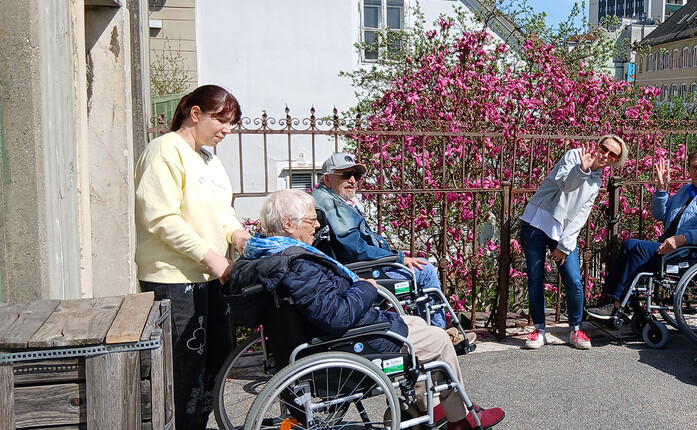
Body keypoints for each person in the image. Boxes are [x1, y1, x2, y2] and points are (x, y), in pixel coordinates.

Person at [228, 189, 504, 430]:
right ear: (288, 224)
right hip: (343, 342)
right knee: (439, 340)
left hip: (315, 337)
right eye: (311, 220)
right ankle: (461, 419)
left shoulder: (264, 255)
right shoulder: (297, 265)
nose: (316, 227)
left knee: (417, 325)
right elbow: (336, 316)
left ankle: (430, 405)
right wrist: (367, 288)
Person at [134, 85, 249, 429]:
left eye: (232, 123)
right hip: (174, 281)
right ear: (196, 113)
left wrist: (238, 235)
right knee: (184, 376)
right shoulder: (164, 151)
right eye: (222, 120)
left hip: (212, 276)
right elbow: (161, 218)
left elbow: (221, 212)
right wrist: (211, 257)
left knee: (215, 365)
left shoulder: (209, 158)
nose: (227, 130)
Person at [312, 152, 456, 333]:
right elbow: (355, 249)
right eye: (345, 175)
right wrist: (398, 257)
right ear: (327, 178)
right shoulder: (331, 205)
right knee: (425, 270)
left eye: (356, 176)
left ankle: (430, 331)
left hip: (355, 266)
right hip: (360, 270)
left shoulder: (330, 199)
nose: (353, 181)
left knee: (419, 266)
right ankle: (439, 331)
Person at [587, 150, 697, 319]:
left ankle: (617, 305)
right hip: (671, 246)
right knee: (629, 246)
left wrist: (683, 238)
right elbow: (660, 214)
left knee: (637, 249)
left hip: (692, 250)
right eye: (694, 167)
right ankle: (611, 299)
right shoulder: (686, 190)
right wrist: (661, 189)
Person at [520, 135, 628, 350]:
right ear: (597, 146)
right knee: (535, 278)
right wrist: (582, 169)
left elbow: (581, 215)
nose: (605, 155)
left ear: (615, 160)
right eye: (603, 148)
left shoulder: (596, 182)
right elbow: (565, 185)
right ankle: (539, 330)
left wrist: (564, 245)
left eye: (612, 154)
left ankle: (575, 329)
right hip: (536, 222)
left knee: (574, 281)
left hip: (561, 232)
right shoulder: (574, 156)